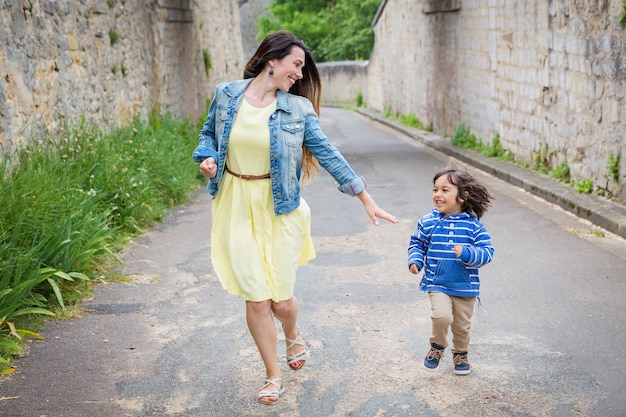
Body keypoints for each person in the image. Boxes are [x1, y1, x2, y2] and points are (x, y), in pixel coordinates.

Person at [192, 30, 397, 405]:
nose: (300, 74)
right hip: (235, 203)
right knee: (256, 300)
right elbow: (207, 135)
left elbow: (329, 153)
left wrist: (364, 197)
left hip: (280, 207)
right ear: (273, 60)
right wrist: (205, 159)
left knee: (280, 303)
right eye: (296, 65)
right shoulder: (226, 95)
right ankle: (273, 375)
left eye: (302, 68)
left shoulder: (297, 109)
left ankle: (292, 332)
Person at [407, 167, 494, 375]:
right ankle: (437, 347)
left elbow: (487, 252)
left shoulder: (474, 227)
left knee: (462, 326)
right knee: (441, 316)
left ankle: (460, 354)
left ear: (463, 196)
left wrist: (467, 253)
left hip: (465, 286)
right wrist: (415, 260)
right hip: (437, 282)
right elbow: (417, 243)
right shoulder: (428, 221)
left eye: (445, 190)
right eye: (435, 189)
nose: (438, 194)